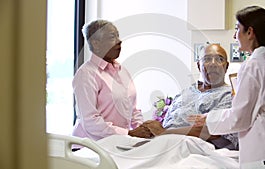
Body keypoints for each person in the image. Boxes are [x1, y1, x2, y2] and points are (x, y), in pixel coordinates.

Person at [198, 6, 265, 169]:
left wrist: (208, 118)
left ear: (250, 32)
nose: (234, 35)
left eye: (237, 29)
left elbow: (240, 118)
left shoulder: (252, 66)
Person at [142, 44, 239, 150]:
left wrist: (165, 133)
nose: (213, 64)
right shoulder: (185, 92)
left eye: (219, 59)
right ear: (199, 66)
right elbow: (166, 123)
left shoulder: (229, 95)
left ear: (226, 66)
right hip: (162, 142)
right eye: (207, 59)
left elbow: (212, 131)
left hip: (191, 148)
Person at [72, 19, 152, 147]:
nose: (119, 41)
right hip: (90, 149)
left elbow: (133, 110)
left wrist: (143, 130)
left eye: (118, 35)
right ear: (96, 43)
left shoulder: (122, 70)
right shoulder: (86, 74)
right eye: (112, 37)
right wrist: (129, 133)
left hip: (118, 144)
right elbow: (90, 121)